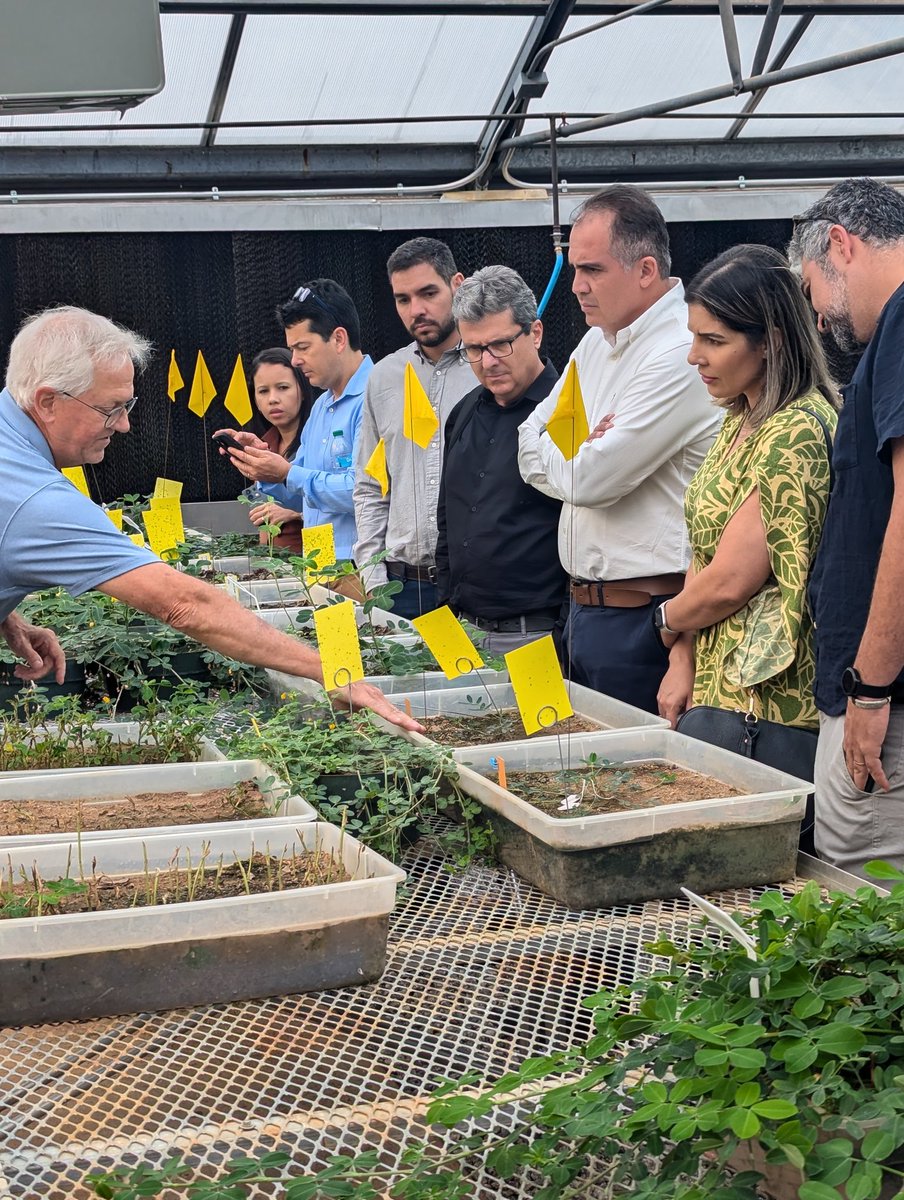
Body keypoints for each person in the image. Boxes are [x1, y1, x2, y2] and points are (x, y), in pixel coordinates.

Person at [0, 305, 418, 731]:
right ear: (48, 402)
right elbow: (184, 605)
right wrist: (332, 672)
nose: (123, 425)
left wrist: (7, 616)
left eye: (127, 405)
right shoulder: (37, 500)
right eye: (110, 408)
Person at [518, 185, 720, 713]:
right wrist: (575, 454)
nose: (576, 286)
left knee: (635, 763)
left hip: (649, 615)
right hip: (586, 610)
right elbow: (526, 440)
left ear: (646, 269)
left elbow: (589, 480)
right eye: (574, 269)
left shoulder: (679, 350)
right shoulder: (596, 340)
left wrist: (569, 454)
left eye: (592, 270)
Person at [653, 245, 838, 742]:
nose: (694, 355)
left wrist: (663, 620)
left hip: (768, 706)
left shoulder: (795, 430)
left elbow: (732, 580)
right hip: (718, 689)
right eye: (693, 336)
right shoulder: (739, 417)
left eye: (713, 340)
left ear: (771, 341)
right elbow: (705, 549)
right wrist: (683, 654)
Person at [789, 176, 904, 877]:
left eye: (811, 288)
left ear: (840, 243)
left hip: (885, 703)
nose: (820, 317)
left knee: (864, 904)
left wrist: (871, 686)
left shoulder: (901, 320)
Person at [435, 266, 563, 655]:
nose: (488, 361)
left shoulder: (567, 413)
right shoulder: (463, 413)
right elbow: (447, 519)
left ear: (535, 333)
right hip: (459, 631)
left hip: (536, 635)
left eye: (500, 344)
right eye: (473, 349)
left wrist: (563, 635)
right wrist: (444, 610)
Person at [219, 280, 372, 591]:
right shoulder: (322, 406)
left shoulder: (375, 396)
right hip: (318, 564)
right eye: (292, 349)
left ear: (338, 339)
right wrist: (264, 465)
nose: (296, 360)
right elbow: (299, 492)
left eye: (303, 347)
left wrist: (287, 473)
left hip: (357, 568)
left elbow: (365, 492)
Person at [353, 237, 475, 618]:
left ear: (457, 285)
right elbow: (370, 484)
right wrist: (374, 579)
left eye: (428, 293)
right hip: (401, 586)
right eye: (403, 299)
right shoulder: (384, 377)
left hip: (474, 588)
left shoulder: (489, 368)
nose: (416, 310)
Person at [245, 347, 313, 553]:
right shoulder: (263, 445)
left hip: (317, 555)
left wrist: (296, 513)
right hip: (275, 560)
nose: (273, 399)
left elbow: (344, 499)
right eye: (263, 391)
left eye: (283, 387)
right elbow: (261, 511)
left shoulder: (320, 440)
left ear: (303, 390)